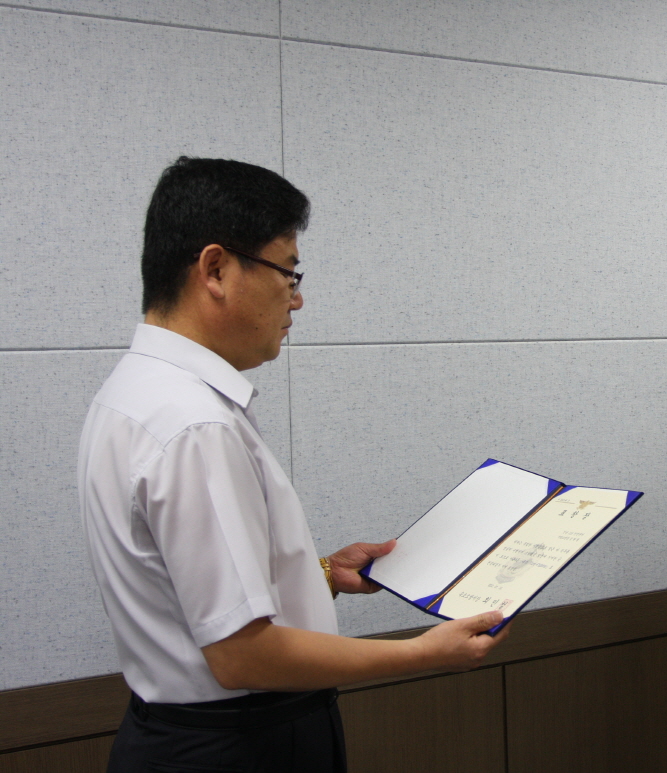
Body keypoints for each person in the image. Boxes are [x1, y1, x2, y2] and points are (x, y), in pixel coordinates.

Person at [78, 157, 507, 773]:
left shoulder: (132, 392)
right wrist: (422, 653)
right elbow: (241, 656)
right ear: (216, 269)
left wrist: (321, 574)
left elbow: (185, 590)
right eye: (287, 272)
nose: (297, 299)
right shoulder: (193, 423)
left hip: (179, 738)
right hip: (240, 749)